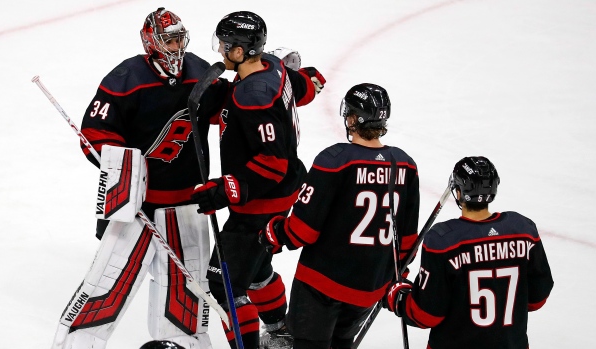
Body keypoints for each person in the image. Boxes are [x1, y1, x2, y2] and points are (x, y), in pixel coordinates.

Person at [50, 8, 214, 349]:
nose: (175, 46)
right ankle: (79, 343)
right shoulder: (125, 78)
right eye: (168, 39)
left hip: (187, 204)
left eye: (179, 38)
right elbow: (94, 133)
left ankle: (182, 345)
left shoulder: (200, 70)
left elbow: (231, 108)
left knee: (188, 292)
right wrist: (123, 177)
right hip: (136, 205)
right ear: (150, 41)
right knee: (107, 284)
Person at [190, 10, 326, 349]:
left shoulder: (253, 96)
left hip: (261, 202)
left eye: (225, 45)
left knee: (224, 284)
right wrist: (311, 79)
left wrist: (226, 189)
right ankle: (282, 331)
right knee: (257, 268)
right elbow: (304, 87)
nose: (220, 51)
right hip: (285, 189)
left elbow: (272, 163)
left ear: (239, 51)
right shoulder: (273, 66)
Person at [258, 83, 420, 349]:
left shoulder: (335, 160)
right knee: (341, 343)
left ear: (355, 119)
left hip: (321, 285)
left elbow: (303, 230)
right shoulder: (404, 164)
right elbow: (408, 242)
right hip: (369, 289)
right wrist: (393, 275)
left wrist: (273, 233)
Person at [386, 156, 554, 349]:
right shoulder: (524, 231)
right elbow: (537, 298)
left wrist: (398, 297)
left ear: (458, 193)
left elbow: (426, 315)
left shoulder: (443, 241)